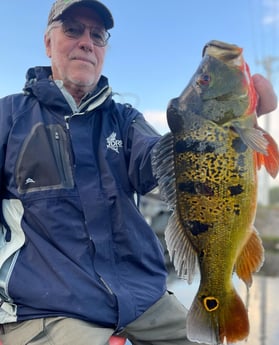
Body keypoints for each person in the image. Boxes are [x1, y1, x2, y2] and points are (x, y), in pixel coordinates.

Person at [0, 1, 277, 345]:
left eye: (98, 35)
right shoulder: (8, 117)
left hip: (144, 300)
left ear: (103, 49)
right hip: (49, 309)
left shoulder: (126, 120)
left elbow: (161, 161)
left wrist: (215, 134)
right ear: (48, 42)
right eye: (73, 29)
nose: (86, 41)